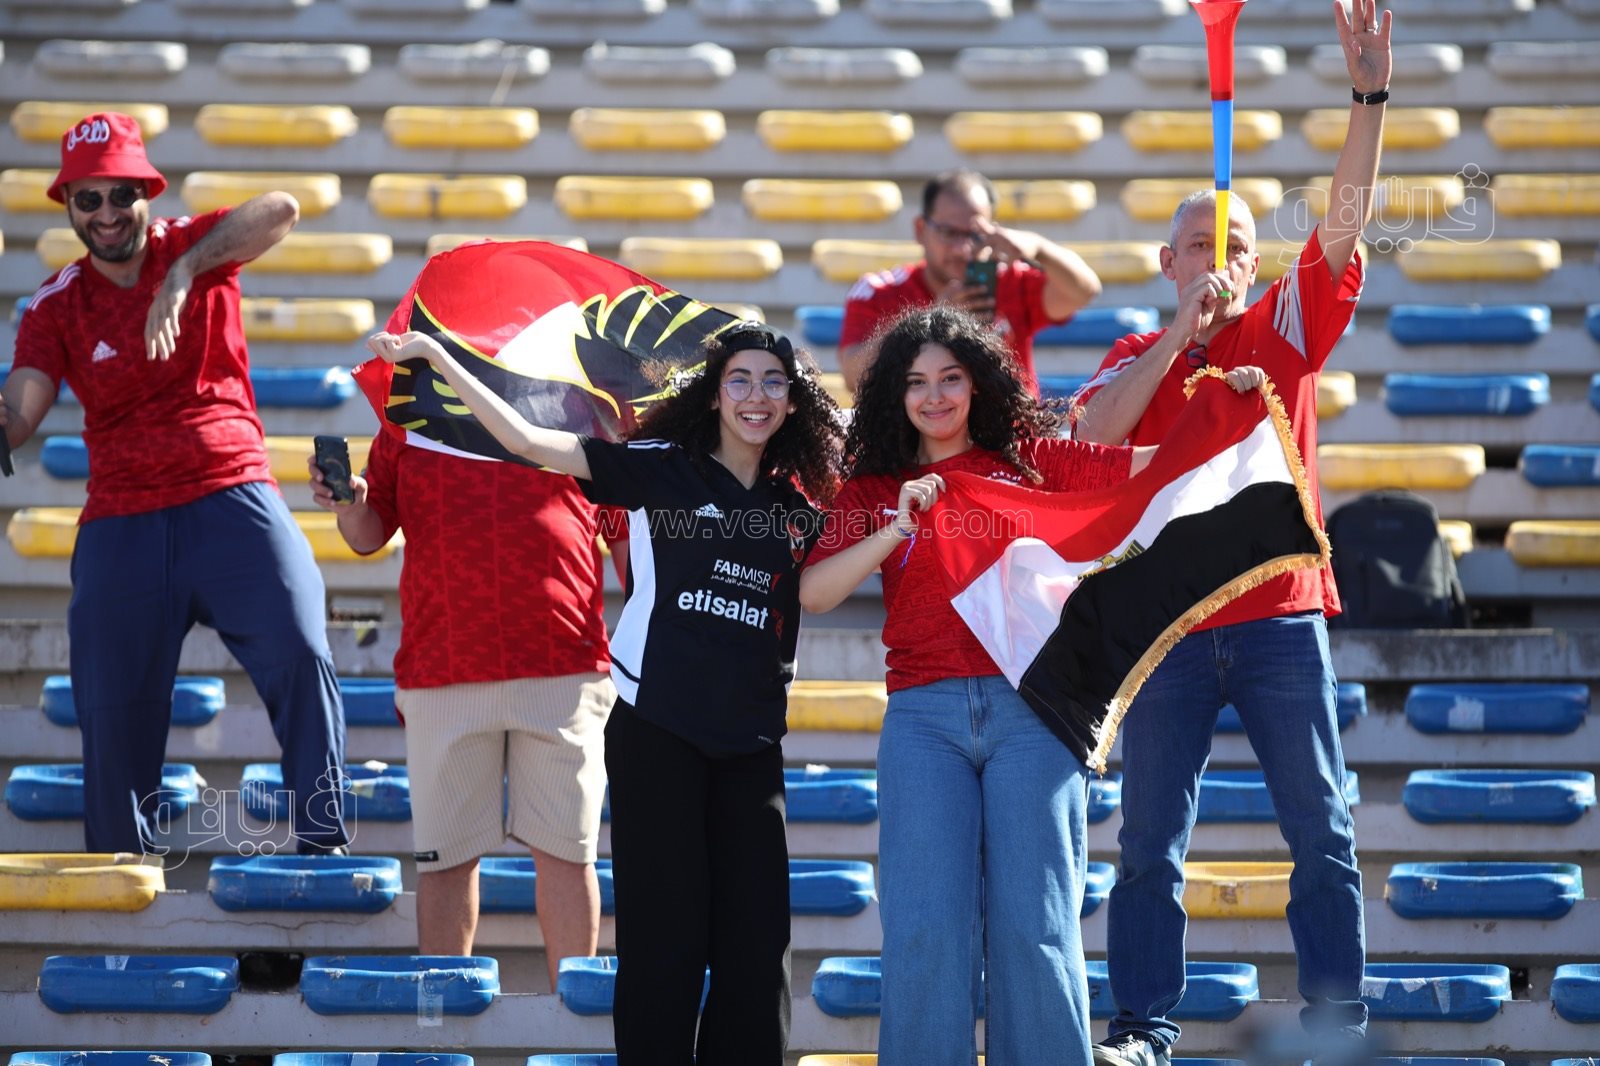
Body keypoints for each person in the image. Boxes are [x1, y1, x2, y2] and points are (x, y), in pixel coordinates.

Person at [365, 320, 844, 1066]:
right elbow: (527, 441)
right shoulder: (658, 467)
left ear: (791, 400)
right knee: (665, 946)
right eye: (740, 380)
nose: (756, 395)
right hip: (659, 731)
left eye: (773, 382)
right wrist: (440, 357)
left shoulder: (798, 505)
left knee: (758, 956)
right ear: (714, 395)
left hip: (752, 743)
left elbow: (823, 584)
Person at [1068, 5, 1392, 1063]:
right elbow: (1098, 431)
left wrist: (1368, 99)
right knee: (1148, 846)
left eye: (1238, 245)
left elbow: (1342, 219)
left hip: (1279, 617)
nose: (1220, 258)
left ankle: (1336, 1026)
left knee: (1323, 833)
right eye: (1202, 245)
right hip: (1167, 627)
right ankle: (1142, 1030)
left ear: (1256, 266)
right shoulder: (1134, 353)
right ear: (1166, 260)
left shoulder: (1284, 328)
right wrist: (1182, 335)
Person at [801, 308, 1183, 1065]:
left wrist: (1230, 408)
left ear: (977, 385)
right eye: (917, 383)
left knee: (1037, 926)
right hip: (922, 719)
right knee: (924, 928)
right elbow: (815, 592)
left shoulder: (1034, 464)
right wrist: (896, 527)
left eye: (951, 378)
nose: (934, 396)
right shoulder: (873, 487)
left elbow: (1156, 470)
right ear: (896, 394)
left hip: (1033, 713)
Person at [0, 111, 348, 854]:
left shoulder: (194, 246)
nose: (106, 213)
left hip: (230, 493)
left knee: (301, 647)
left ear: (147, 192)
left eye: (121, 194)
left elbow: (281, 208)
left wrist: (185, 273)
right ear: (67, 206)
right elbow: (22, 409)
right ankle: (120, 870)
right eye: (87, 199)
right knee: (109, 705)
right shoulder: (56, 302)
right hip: (123, 516)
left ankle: (323, 849)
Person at [308, 299, 623, 985]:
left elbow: (625, 535)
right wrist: (349, 502)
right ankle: (440, 1030)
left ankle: (576, 1030)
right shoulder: (406, 417)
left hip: (562, 663)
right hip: (444, 666)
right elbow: (369, 532)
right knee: (445, 864)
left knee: (568, 857)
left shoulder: (579, 404)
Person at [837, 167, 1102, 396]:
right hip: (918, 437)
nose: (962, 249)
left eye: (975, 235)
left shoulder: (1010, 280)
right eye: (949, 232)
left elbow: (1084, 291)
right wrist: (930, 322)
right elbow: (853, 376)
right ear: (920, 229)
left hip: (1011, 434)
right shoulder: (879, 290)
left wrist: (1039, 247)